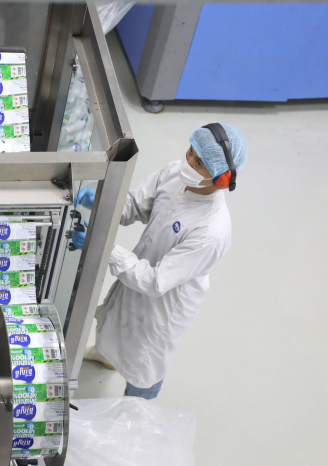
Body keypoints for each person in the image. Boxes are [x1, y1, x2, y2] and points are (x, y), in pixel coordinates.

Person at [73, 123, 248, 400]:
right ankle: (106, 355)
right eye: (190, 151)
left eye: (199, 163)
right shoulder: (175, 173)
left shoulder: (211, 231)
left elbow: (156, 282)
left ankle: (138, 410)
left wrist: (107, 248)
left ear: (221, 179)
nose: (188, 161)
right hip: (141, 269)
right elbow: (137, 205)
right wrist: (104, 203)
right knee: (117, 321)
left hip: (164, 302)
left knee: (145, 362)